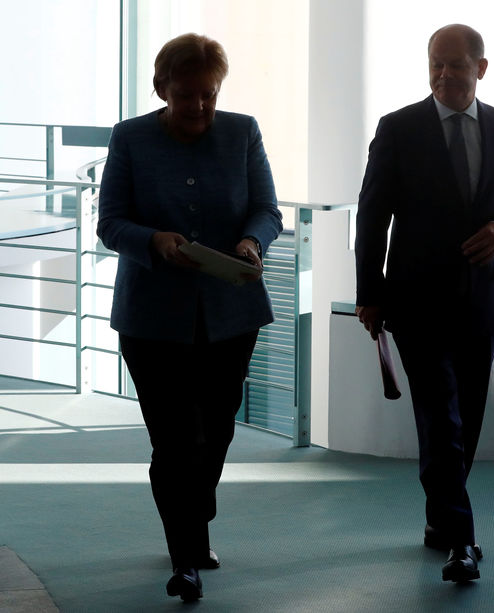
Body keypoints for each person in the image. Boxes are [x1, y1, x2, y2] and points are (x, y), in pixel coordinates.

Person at [97, 33, 283, 602]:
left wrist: (253, 243)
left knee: (218, 429)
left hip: (232, 313)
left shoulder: (242, 131)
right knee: (175, 440)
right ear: (162, 89)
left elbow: (266, 210)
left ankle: (195, 516)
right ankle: (185, 556)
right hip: (152, 320)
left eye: (208, 94)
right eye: (186, 95)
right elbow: (110, 224)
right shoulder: (130, 138)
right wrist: (154, 240)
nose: (199, 106)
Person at [354, 24, 494, 583]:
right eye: (435, 64)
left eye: (455, 65)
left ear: (480, 69)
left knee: (468, 418)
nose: (443, 75)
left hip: (481, 301)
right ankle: (462, 541)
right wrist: (370, 294)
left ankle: (441, 521)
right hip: (415, 302)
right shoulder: (399, 128)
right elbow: (371, 216)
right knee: (441, 419)